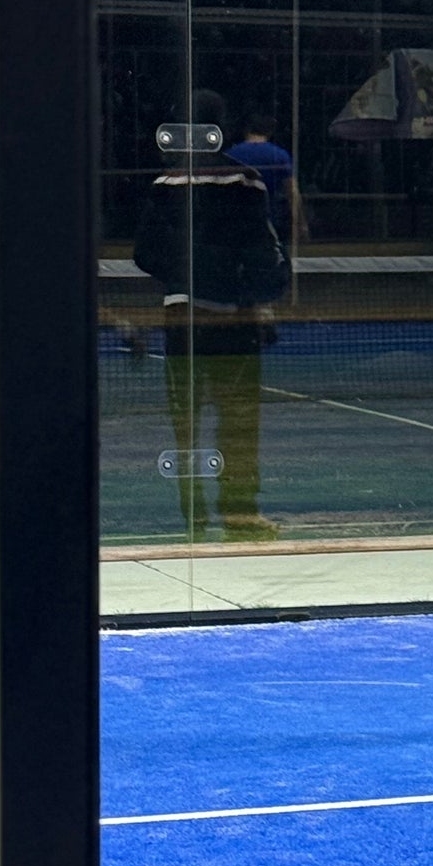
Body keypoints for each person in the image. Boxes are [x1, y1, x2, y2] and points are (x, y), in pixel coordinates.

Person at [132, 88, 291, 538]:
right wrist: (253, 292)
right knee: (238, 420)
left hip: (180, 319)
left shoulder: (165, 185)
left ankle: (194, 518)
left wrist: (184, 277)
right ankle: (240, 516)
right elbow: (265, 254)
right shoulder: (245, 182)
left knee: (185, 424)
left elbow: (144, 253)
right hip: (232, 322)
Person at [228, 109, 307, 250]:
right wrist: (300, 223)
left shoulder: (231, 154)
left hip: (236, 220)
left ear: (246, 129)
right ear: (269, 131)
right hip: (268, 219)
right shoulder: (279, 155)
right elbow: (292, 192)